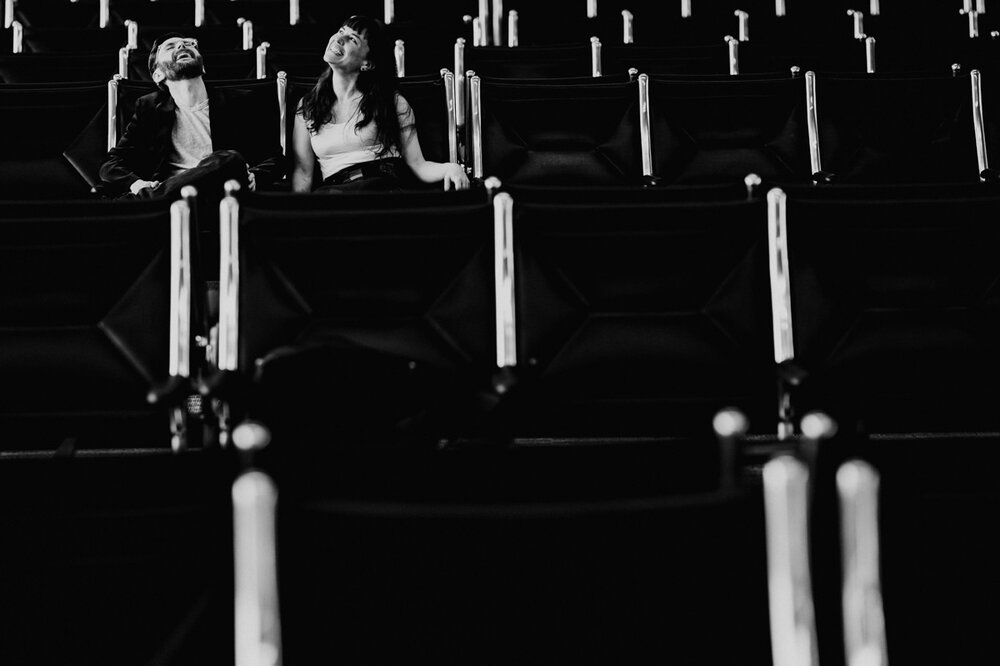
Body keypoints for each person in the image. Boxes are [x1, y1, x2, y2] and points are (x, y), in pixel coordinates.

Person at [291, 15, 469, 193]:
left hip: (382, 189)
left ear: (367, 64)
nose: (339, 39)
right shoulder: (308, 107)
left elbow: (418, 165)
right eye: (340, 31)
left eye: (352, 39)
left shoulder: (391, 102)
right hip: (337, 195)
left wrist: (451, 168)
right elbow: (303, 173)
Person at [99, 33, 286, 199]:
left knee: (231, 161)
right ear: (157, 75)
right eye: (170, 47)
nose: (182, 46)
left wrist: (255, 176)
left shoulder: (242, 101)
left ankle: (147, 201)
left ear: (202, 67)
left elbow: (276, 160)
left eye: (188, 44)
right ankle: (153, 197)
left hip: (223, 197)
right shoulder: (149, 108)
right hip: (173, 202)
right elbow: (110, 164)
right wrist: (136, 184)